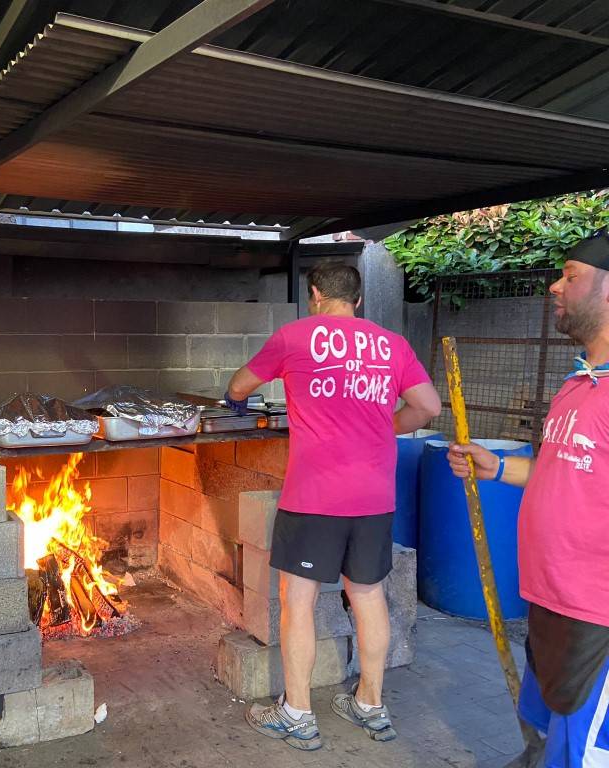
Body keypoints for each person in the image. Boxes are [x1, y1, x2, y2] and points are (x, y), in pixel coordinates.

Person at [226, 263, 441, 750]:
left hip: (314, 497)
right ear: (359, 300)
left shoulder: (296, 336)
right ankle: (371, 705)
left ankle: (298, 715)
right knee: (368, 596)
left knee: (297, 600)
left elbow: (241, 386)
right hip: (373, 498)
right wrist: (386, 427)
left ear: (316, 294)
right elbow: (428, 406)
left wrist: (233, 398)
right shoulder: (392, 344)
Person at [448, 233, 609, 768]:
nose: (554, 286)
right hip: (549, 601)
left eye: (571, 274)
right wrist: (495, 468)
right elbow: (561, 472)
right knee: (544, 738)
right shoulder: (578, 381)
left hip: (597, 617)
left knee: (580, 752)